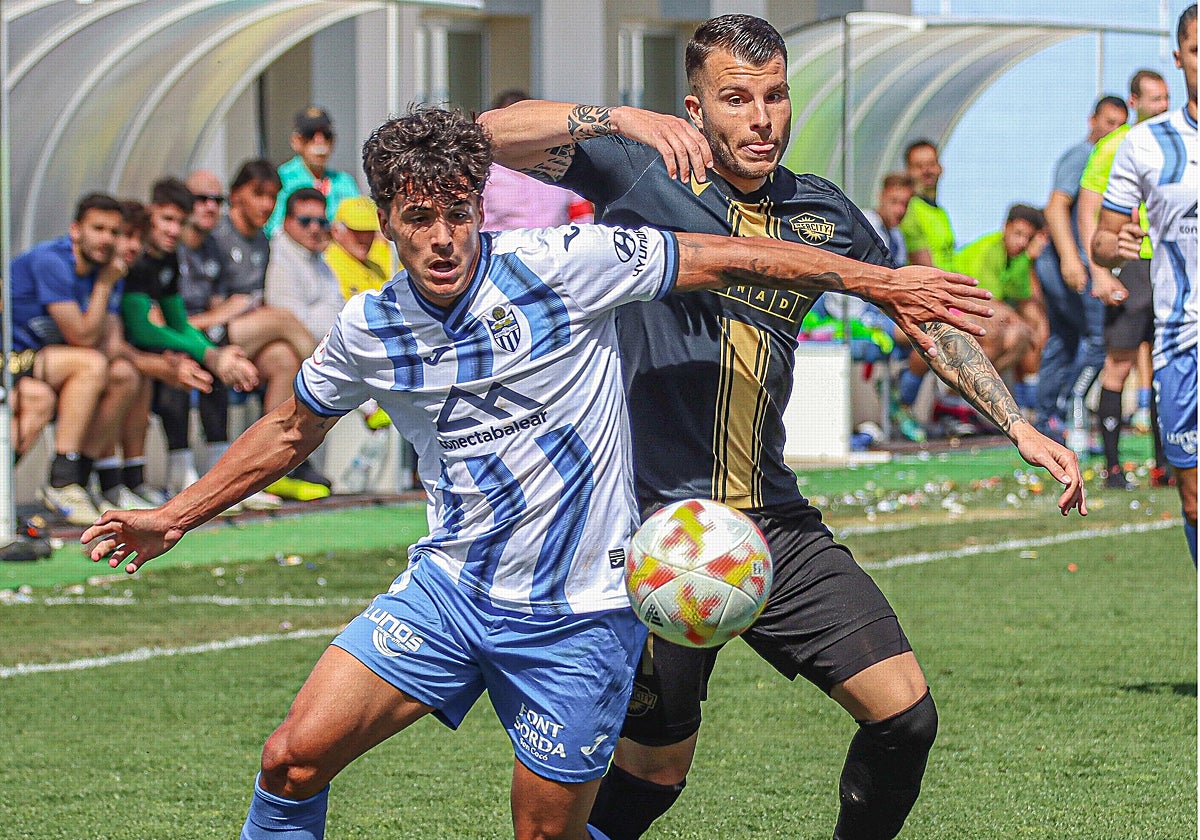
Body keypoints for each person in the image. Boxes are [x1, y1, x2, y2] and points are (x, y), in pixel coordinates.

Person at [82, 106, 1000, 840]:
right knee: (290, 759)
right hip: (448, 592)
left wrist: (879, 283)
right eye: (418, 217)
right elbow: (288, 431)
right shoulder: (370, 327)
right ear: (387, 222)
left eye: (457, 212)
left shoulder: (568, 264)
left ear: (479, 206)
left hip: (578, 618)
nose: (442, 237)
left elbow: (736, 255)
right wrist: (176, 516)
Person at [479, 15, 1086, 839]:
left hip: (773, 525)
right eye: (736, 99)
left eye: (774, 97)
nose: (761, 118)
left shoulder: (820, 211)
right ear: (695, 109)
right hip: (656, 532)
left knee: (905, 716)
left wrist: (1017, 422)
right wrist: (614, 117)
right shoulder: (640, 169)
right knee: (657, 772)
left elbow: (921, 317)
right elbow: (483, 138)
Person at [1093, 4, 1197, 560]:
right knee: (1194, 499)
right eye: (1198, 50)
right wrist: (1111, 250)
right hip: (1180, 337)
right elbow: (1102, 238)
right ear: (1178, 57)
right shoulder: (1144, 144)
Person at [121, 178, 278, 510]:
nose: (174, 230)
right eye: (166, 219)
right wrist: (209, 354)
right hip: (122, 353)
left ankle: (214, 473)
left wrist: (215, 355)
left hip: (137, 350)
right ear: (150, 216)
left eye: (179, 221)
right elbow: (142, 329)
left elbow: (176, 321)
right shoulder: (136, 258)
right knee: (179, 365)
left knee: (197, 362)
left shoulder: (165, 259)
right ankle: (170, 475)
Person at [195, 160, 330, 500]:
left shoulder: (262, 241)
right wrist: (226, 309)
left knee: (284, 359)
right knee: (282, 319)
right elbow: (204, 298)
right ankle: (339, 379)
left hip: (244, 334)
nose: (266, 205)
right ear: (236, 194)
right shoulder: (218, 235)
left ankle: (270, 469)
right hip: (208, 335)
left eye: (272, 196)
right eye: (258, 195)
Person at [9, 193, 142, 525]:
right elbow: (82, 337)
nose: (106, 239)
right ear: (75, 230)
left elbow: (110, 342)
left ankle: (78, 480)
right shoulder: (51, 261)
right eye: (97, 228)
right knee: (88, 366)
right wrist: (103, 286)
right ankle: (62, 481)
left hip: (40, 365)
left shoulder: (108, 271)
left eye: (114, 232)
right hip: (8, 359)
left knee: (123, 375)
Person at [1079, 69, 1173, 488]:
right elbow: (1087, 212)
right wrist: (1099, 271)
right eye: (1154, 99)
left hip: (1169, 267)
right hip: (1130, 267)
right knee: (1117, 366)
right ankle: (1113, 469)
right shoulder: (1115, 148)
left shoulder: (1174, 143)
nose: (1162, 107)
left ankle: (1164, 466)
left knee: (1164, 367)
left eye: (1165, 98)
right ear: (1134, 102)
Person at [1034, 94, 1130, 444]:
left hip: (1063, 262)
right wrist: (1071, 258)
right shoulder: (1083, 156)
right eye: (1108, 122)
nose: (1113, 131)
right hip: (1067, 264)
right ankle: (1068, 407)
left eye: (1120, 125)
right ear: (1092, 121)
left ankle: (1047, 418)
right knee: (1096, 339)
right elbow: (1055, 207)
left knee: (1063, 340)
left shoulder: (1107, 156)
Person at [954, 204, 1050, 422]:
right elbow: (986, 301)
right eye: (1017, 234)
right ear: (1005, 227)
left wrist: (1040, 327)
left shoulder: (1019, 259)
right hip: (954, 306)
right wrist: (1023, 323)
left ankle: (976, 395)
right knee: (1002, 332)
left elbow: (1027, 302)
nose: (1021, 242)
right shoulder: (989, 250)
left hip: (979, 311)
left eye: (1027, 237)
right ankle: (957, 398)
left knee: (1023, 337)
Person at [892, 139, 959, 439]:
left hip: (945, 293)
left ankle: (951, 402)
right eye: (920, 166)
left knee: (1011, 331)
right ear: (909, 171)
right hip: (918, 297)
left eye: (931, 164)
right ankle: (903, 396)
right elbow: (925, 269)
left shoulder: (939, 212)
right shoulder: (911, 210)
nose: (927, 171)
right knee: (939, 333)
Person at [482, 90, 595, 232]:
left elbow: (582, 216)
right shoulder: (486, 171)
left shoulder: (560, 163)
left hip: (554, 250)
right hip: (502, 251)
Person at [265, 107, 360, 238]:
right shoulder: (281, 178)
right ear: (295, 141)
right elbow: (272, 228)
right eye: (310, 134)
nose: (319, 141)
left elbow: (362, 224)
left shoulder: (345, 182)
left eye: (326, 135)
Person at [264, 188, 344, 341]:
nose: (314, 228)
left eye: (321, 222)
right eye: (305, 221)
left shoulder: (316, 257)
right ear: (286, 221)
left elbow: (337, 304)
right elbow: (292, 323)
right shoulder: (277, 257)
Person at [324, 195, 391, 299]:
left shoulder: (378, 263)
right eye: (356, 232)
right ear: (336, 231)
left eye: (369, 231)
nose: (364, 238)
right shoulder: (327, 267)